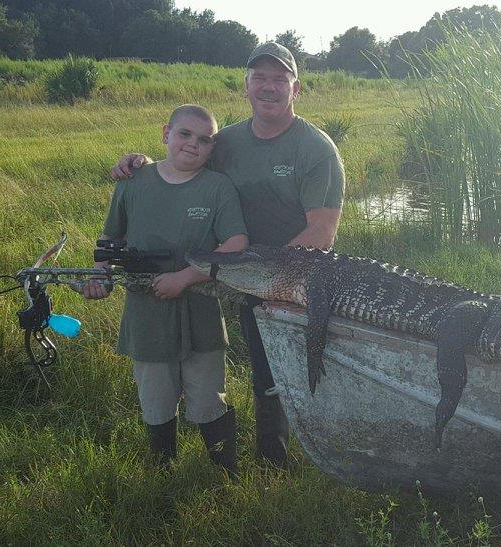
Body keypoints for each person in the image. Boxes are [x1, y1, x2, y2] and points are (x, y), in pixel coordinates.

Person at [110, 42, 346, 467]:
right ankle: (255, 459)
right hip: (241, 270)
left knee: (282, 367)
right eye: (260, 78)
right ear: (246, 85)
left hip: (296, 280)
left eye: (280, 79)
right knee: (256, 362)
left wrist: (268, 280)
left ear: (296, 88)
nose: (269, 87)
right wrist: (140, 164)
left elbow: (322, 233)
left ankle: (280, 460)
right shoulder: (227, 141)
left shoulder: (315, 148)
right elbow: (184, 158)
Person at [89, 104, 249, 473]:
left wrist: (186, 277)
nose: (193, 144)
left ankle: (227, 475)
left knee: (208, 396)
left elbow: (236, 243)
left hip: (201, 311)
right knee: (156, 399)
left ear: (212, 147)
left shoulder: (217, 187)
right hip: (146, 313)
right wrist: (99, 278)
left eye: (204, 139)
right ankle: (163, 475)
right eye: (184, 134)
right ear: (166, 133)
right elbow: (109, 241)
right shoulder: (133, 181)